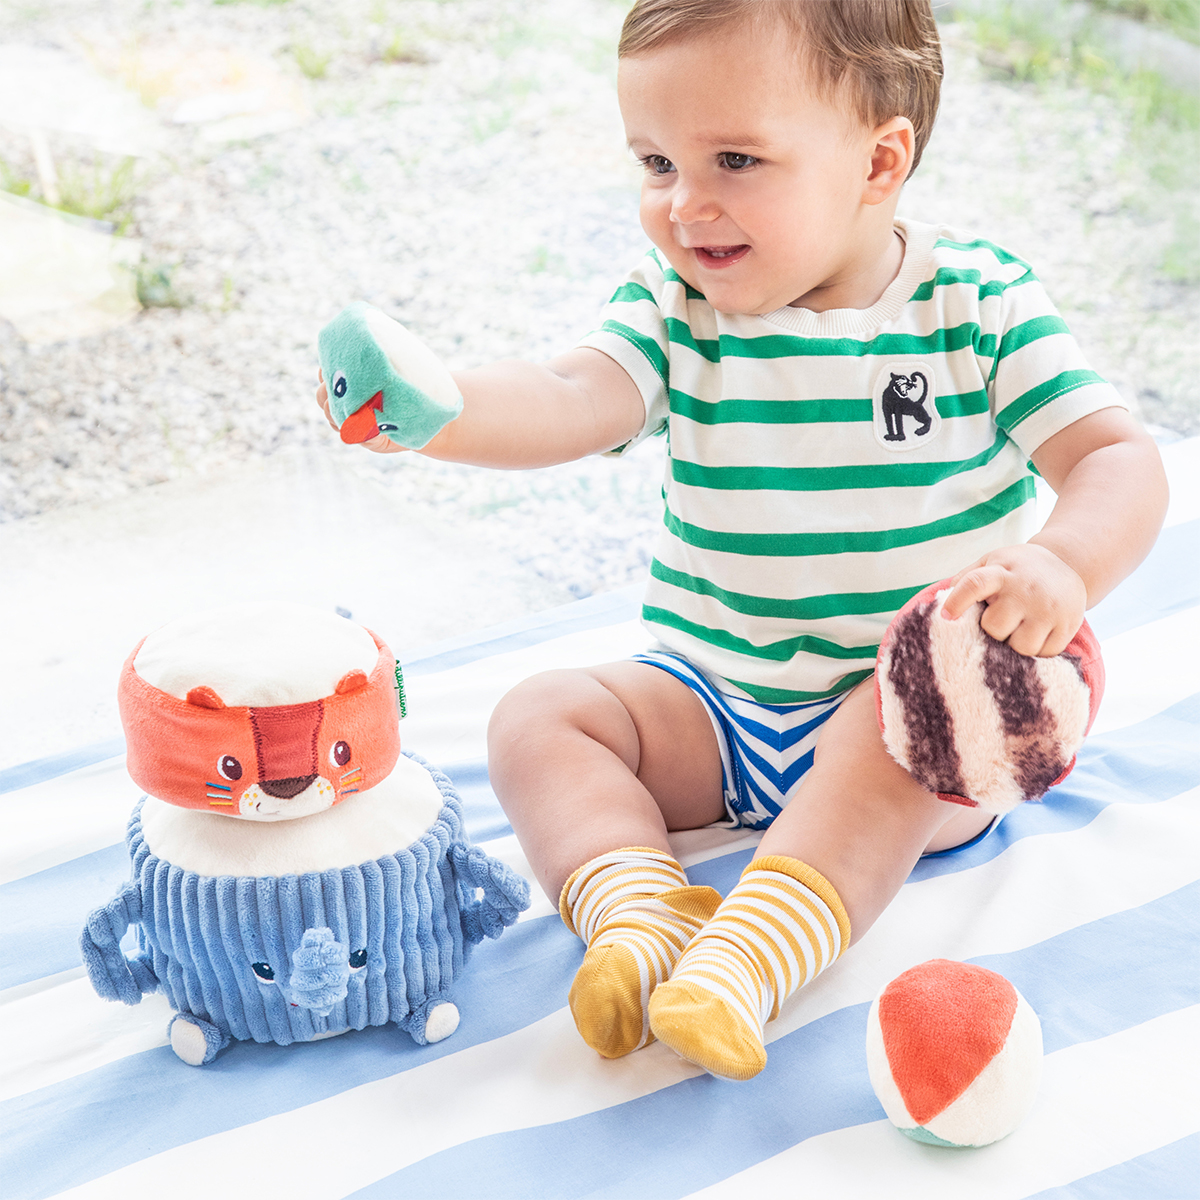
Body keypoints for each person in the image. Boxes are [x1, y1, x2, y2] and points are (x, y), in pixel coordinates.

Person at [317, 0, 1168, 1081]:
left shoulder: (977, 305)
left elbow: (1117, 455)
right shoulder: (679, 308)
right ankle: (635, 913)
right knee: (541, 718)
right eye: (656, 162)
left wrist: (1065, 561)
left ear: (879, 161)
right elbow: (572, 396)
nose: (685, 204)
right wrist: (437, 408)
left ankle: (747, 961)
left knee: (895, 737)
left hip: (909, 722)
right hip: (716, 704)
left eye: (734, 160)